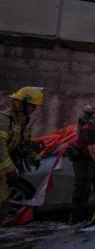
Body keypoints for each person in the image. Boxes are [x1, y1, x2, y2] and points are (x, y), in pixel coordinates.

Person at [0, 87, 44, 221]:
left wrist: (33, 156)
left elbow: (23, 143)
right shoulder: (4, 120)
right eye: (32, 106)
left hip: (3, 172)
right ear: (22, 103)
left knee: (4, 204)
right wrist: (10, 169)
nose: (34, 109)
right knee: (2, 205)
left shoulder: (22, 121)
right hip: (2, 168)